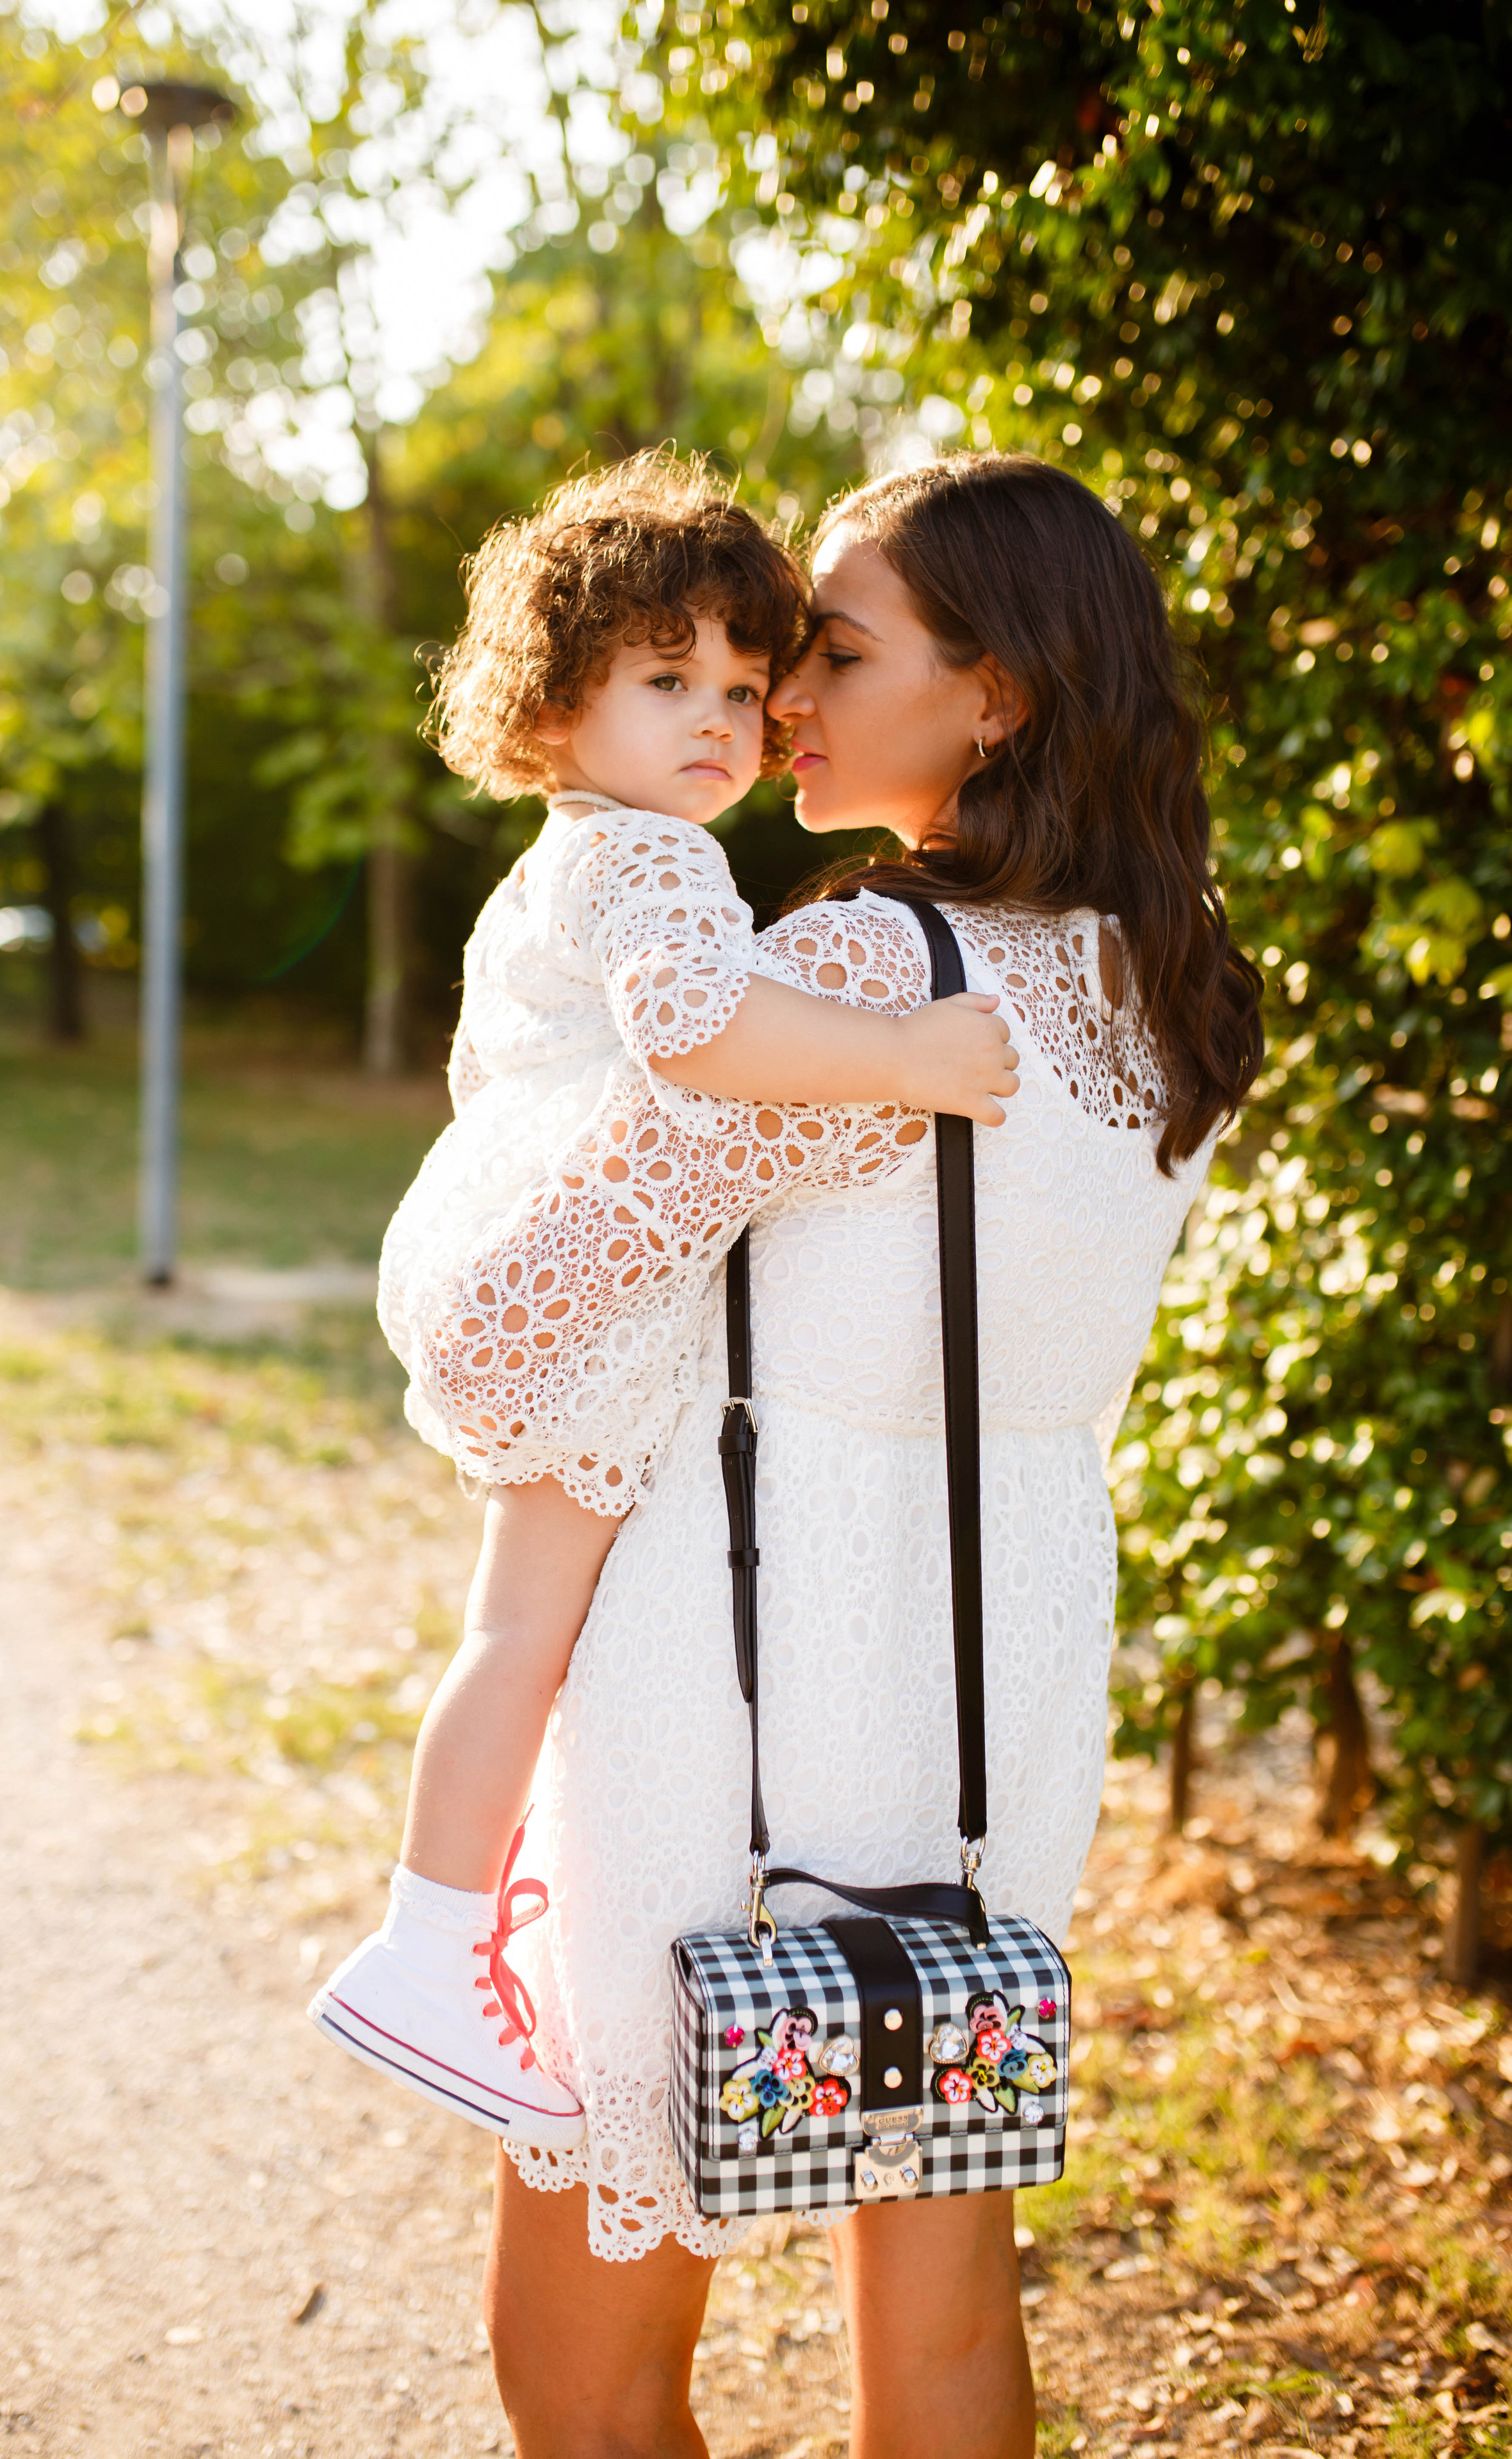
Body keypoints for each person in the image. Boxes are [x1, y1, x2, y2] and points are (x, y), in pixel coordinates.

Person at [403, 451, 1264, 2458]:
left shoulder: (877, 973)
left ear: (1000, 696)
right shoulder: (1168, 987)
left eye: (837, 652)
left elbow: (505, 1331)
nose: (779, 695)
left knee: (586, 2357)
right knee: (945, 2276)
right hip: (989, 1681)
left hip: (741, 1683)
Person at [309, 450, 1020, 2150]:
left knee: (520, 1634)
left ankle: (446, 1937)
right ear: (558, 706)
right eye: (664, 680)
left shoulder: (557, 860)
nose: (720, 721)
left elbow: (511, 1066)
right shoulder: (658, 868)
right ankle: (426, 1946)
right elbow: (706, 1036)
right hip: (564, 1298)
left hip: (510, 1266)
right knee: (529, 1641)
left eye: (742, 686)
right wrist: (906, 1053)